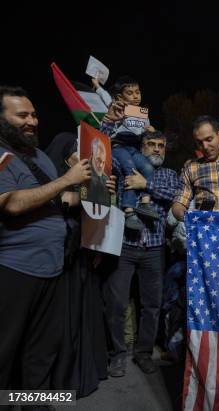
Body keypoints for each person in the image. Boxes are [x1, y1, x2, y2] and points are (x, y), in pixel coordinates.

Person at [0, 86, 94, 393]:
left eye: (35, 115)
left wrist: (94, 188)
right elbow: (11, 203)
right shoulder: (2, 156)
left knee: (41, 351)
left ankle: (33, 403)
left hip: (53, 268)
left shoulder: (41, 157)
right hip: (15, 269)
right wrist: (67, 179)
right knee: (5, 350)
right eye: (22, 115)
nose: (32, 121)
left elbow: (61, 199)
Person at [105, 130, 179, 378]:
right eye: (151, 144)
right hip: (124, 245)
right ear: (141, 147)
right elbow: (107, 157)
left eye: (161, 145)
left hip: (154, 249)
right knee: (116, 303)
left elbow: (174, 196)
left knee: (152, 305)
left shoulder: (169, 174)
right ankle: (117, 354)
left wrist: (145, 184)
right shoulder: (124, 167)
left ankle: (144, 353)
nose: (157, 149)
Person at [45, 132, 109, 397]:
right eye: (76, 152)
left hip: (81, 256)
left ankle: (83, 373)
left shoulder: (85, 178)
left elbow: (96, 211)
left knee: (82, 315)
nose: (81, 157)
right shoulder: (51, 178)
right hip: (56, 260)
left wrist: (104, 191)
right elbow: (56, 204)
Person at [100, 76, 158, 231]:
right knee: (130, 168)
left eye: (138, 92)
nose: (135, 96)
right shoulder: (117, 108)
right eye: (130, 93)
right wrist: (96, 85)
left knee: (148, 167)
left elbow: (149, 130)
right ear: (120, 96)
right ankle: (129, 210)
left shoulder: (141, 113)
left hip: (134, 148)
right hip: (119, 146)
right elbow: (105, 97)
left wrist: (152, 131)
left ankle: (145, 203)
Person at [83, 137, 111, 206]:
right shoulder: (82, 174)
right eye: (98, 160)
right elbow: (82, 199)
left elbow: (113, 204)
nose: (101, 166)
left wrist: (113, 195)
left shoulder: (107, 179)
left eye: (103, 162)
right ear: (92, 155)